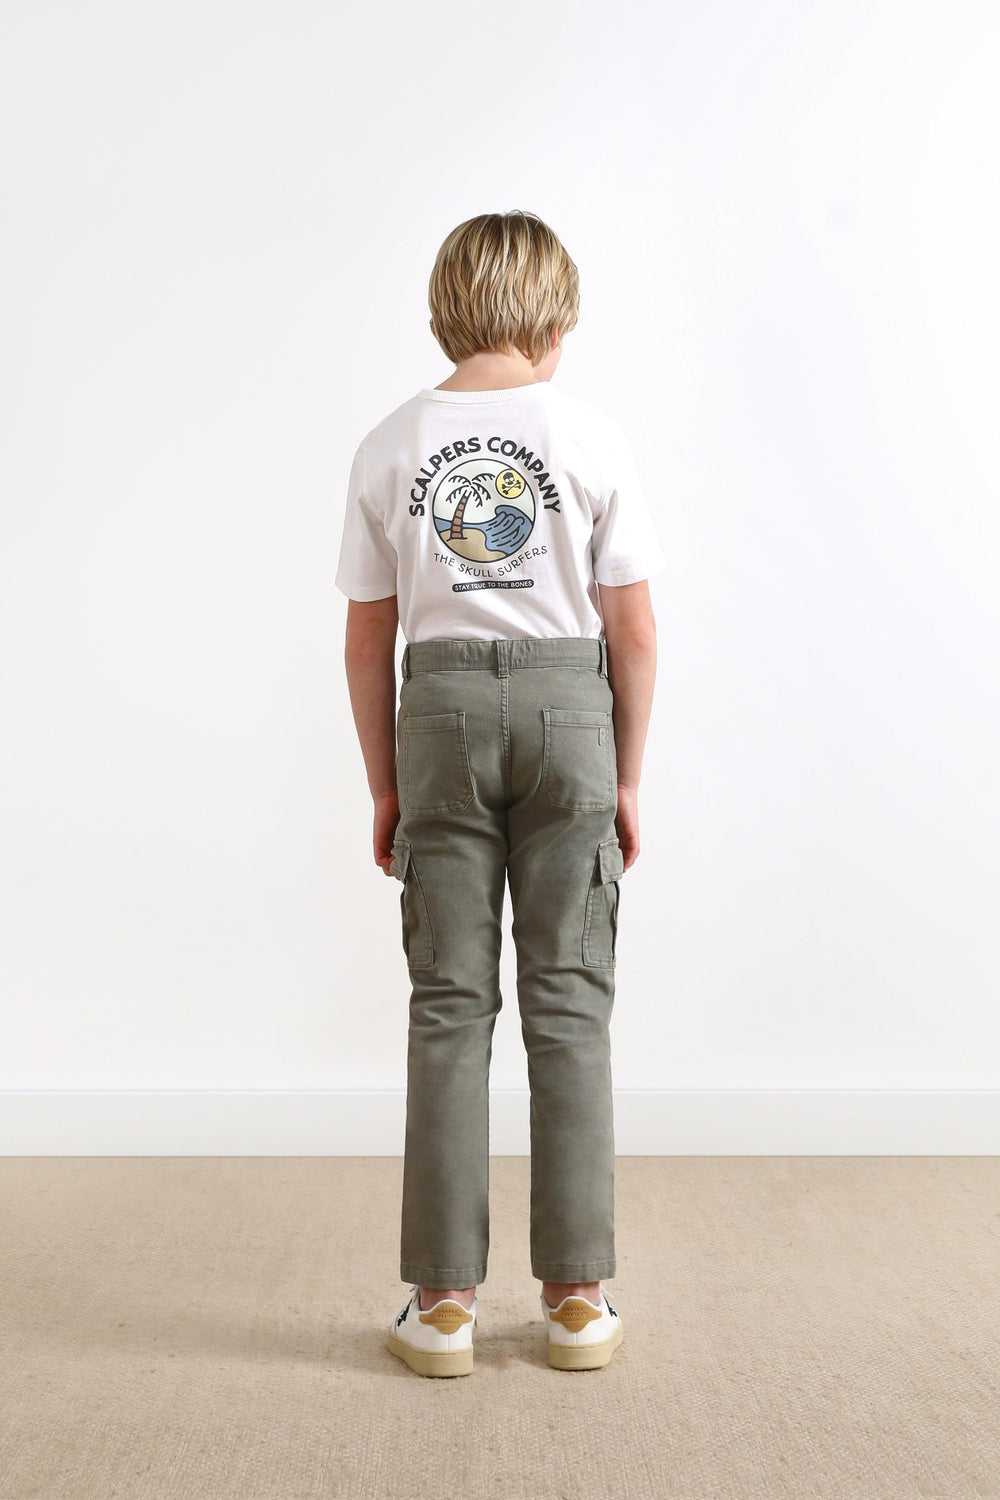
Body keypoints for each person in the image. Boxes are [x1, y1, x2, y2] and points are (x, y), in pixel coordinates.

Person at [335, 210, 664, 1376]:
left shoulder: (389, 443)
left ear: (446, 311)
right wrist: (625, 774)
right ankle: (577, 1300)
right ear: (555, 320)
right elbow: (632, 629)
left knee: (448, 1004)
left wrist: (385, 785)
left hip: (436, 715)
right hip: (571, 710)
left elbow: (366, 640)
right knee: (569, 1003)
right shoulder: (589, 435)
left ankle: (442, 1307)